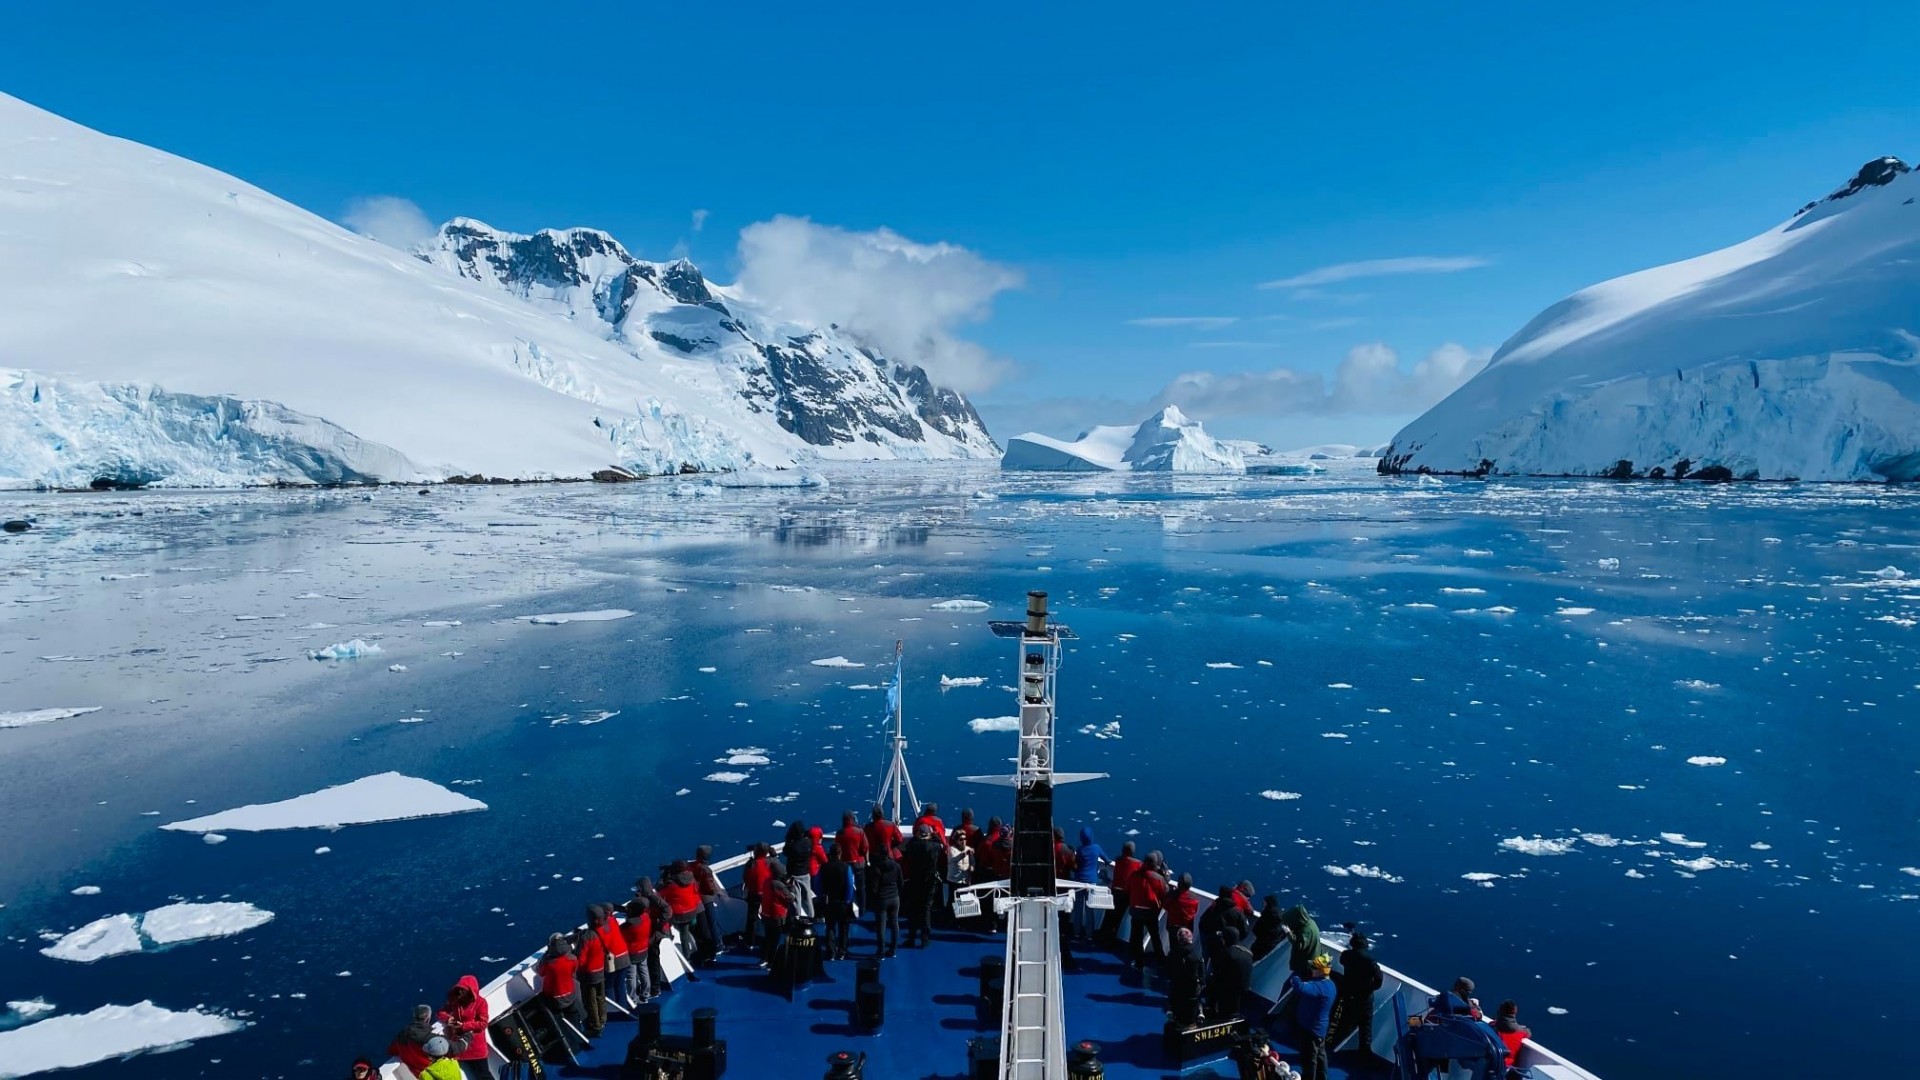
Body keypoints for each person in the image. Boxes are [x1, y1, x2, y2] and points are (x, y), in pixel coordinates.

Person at [1284, 953, 1338, 1080]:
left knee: (1309, 1059)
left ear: (1320, 971)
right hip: (1320, 1029)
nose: (1311, 969)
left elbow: (1301, 987)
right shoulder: (1330, 985)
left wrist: (1295, 977)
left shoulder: (1319, 987)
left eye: (1314, 968)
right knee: (1320, 1056)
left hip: (1311, 1030)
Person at [1329, 931, 1383, 1058]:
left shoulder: (1346, 955)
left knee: (1345, 1021)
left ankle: (1335, 1048)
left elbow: (1342, 962)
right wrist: (1369, 989)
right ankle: (1364, 1054)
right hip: (1364, 998)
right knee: (1365, 1027)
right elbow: (1379, 980)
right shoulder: (1370, 961)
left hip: (1349, 994)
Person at [437, 974, 490, 1078]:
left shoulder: (480, 1003)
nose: (460, 992)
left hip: (476, 1048)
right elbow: (441, 1012)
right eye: (459, 989)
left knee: (484, 1076)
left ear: (470, 991)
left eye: (463, 990)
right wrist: (448, 1018)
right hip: (459, 1048)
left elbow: (483, 1023)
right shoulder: (455, 1000)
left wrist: (463, 1026)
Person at [538, 932, 588, 1031]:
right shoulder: (573, 959)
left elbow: (541, 972)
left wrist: (545, 956)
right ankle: (578, 1032)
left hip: (553, 998)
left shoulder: (549, 963)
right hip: (569, 994)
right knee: (573, 1013)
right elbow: (574, 972)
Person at [902, 824, 942, 947]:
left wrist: (918, 837)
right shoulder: (934, 847)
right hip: (929, 883)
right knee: (926, 910)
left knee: (913, 911)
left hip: (915, 882)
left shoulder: (912, 845)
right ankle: (925, 939)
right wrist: (933, 835)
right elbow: (940, 844)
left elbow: (908, 846)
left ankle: (911, 938)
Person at [1126, 852, 1168, 967]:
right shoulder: (1159, 879)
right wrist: (1166, 877)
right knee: (1155, 937)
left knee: (1136, 937)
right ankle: (1161, 961)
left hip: (1136, 911)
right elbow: (1165, 893)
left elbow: (1129, 888)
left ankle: (1139, 962)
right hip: (1151, 912)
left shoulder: (1135, 875)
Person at [820, 841, 858, 960]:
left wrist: (823, 895)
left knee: (830, 926)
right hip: (843, 902)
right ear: (840, 854)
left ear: (830, 854)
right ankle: (842, 952)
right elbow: (850, 884)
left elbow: (817, 884)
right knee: (844, 927)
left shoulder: (824, 867)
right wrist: (847, 900)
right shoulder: (846, 867)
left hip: (830, 901)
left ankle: (830, 952)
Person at [658, 861, 703, 958]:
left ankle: (686, 957)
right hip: (692, 910)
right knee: (690, 930)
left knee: (682, 933)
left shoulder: (671, 883)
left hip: (680, 914)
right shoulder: (691, 878)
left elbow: (661, 893)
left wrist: (662, 878)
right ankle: (700, 950)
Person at [1099, 841, 1140, 947]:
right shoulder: (1137, 864)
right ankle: (1109, 941)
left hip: (1114, 891)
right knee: (1117, 918)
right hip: (1125, 894)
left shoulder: (1118, 859)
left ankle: (1101, 937)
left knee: (1109, 915)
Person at [1208, 926, 1253, 1021]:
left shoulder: (1227, 953)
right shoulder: (1247, 952)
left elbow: (1219, 974)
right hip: (1242, 988)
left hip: (1228, 988)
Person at [576, 907, 609, 1037]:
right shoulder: (604, 930)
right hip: (600, 970)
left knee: (591, 1001)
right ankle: (603, 1019)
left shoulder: (587, 937)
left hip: (589, 974)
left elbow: (581, 959)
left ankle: (596, 1027)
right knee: (600, 996)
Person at [1166, 926, 1206, 1026]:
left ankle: (1172, 1011)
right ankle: (1199, 1012)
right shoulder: (1197, 955)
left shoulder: (1172, 954)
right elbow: (1202, 974)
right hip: (1192, 988)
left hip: (1177, 986)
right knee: (1198, 995)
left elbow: (1167, 972)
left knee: (1173, 993)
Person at [619, 894, 655, 1006]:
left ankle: (632, 998)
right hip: (643, 949)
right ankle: (645, 994)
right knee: (644, 971)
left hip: (632, 953)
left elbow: (620, 933)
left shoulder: (629, 926)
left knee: (631, 976)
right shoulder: (646, 918)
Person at [1071, 827, 1105, 942]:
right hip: (1091, 882)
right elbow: (1107, 860)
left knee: (1078, 908)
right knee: (1090, 909)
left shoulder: (1080, 850)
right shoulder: (1097, 848)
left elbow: (1076, 864)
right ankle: (1089, 935)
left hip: (1079, 881)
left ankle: (1076, 933)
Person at [691, 845, 724, 962]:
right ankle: (718, 945)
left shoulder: (692, 866)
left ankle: (708, 948)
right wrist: (714, 892)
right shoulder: (705, 869)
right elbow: (710, 887)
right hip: (706, 899)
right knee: (712, 922)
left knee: (704, 925)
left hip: (697, 899)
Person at [868, 849, 903, 956]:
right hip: (894, 898)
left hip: (882, 899)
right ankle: (893, 950)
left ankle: (881, 951)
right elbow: (901, 882)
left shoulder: (877, 867)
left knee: (881, 926)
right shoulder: (897, 866)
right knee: (894, 923)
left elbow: (874, 887)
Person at [759, 858, 793, 967]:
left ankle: (764, 958)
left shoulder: (767, 881)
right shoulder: (778, 885)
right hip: (777, 916)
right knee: (775, 940)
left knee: (767, 937)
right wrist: (790, 888)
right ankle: (771, 961)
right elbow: (789, 899)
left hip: (766, 914)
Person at [385, 1004, 435, 1075]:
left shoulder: (401, 1037)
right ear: (427, 1019)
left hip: (421, 1075)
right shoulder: (428, 1037)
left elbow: (391, 1051)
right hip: (436, 1072)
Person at [783, 823, 818, 919]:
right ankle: (811, 916)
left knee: (796, 900)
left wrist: (788, 839)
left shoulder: (792, 846)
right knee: (807, 898)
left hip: (794, 875)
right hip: (806, 874)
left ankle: (796, 918)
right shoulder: (808, 843)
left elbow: (785, 851)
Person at [741, 844, 773, 950]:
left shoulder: (751, 864)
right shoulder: (770, 862)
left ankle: (750, 941)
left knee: (752, 917)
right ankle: (768, 939)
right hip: (768, 893)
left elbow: (745, 878)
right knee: (769, 916)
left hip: (754, 893)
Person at [1279, 904, 1321, 978]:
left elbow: (1299, 945)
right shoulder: (1311, 923)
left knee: (1290, 985)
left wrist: (1289, 933)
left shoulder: (1306, 930)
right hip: (1311, 962)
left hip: (1305, 965)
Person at [1492, 1000, 1531, 1068]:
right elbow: (1528, 1033)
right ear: (1515, 1013)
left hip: (1491, 1063)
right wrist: (1519, 1027)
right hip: (1507, 1068)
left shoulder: (1492, 1026)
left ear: (1500, 1011)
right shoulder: (1521, 1032)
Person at [1251, 895, 1285, 960]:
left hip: (1261, 943)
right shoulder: (1280, 914)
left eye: (1265, 903)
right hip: (1270, 945)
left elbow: (1256, 929)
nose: (1263, 905)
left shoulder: (1267, 914)